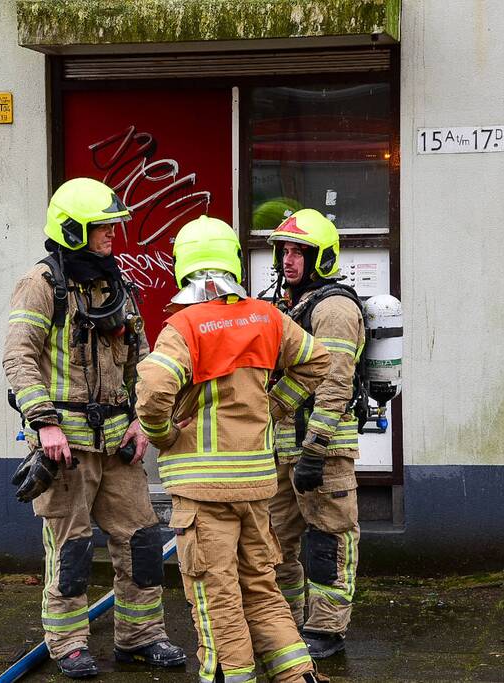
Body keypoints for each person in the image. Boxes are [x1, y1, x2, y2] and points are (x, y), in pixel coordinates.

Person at [136, 215, 331, 683]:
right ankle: (298, 676)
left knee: (216, 596)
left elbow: (153, 392)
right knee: (262, 589)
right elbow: (317, 360)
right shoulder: (266, 317)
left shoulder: (184, 326)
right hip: (256, 485)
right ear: (233, 262)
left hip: (203, 491)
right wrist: (274, 406)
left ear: (184, 265)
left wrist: (164, 436)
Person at [3, 177, 185, 679]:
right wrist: (45, 424)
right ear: (73, 230)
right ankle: (68, 644)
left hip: (119, 444)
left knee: (141, 540)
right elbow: (18, 357)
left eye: (111, 226)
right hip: (66, 448)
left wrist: (143, 421)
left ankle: (141, 637)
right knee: (73, 548)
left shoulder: (114, 283)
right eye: (102, 227)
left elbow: (142, 359)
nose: (111, 234)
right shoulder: (40, 285)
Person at [265, 209, 366, 659]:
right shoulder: (290, 305)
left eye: (299, 252)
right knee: (273, 542)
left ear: (321, 258)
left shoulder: (335, 309)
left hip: (323, 451)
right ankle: (282, 624)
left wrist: (315, 448)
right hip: (283, 448)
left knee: (328, 539)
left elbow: (335, 382)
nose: (288, 260)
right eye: (284, 251)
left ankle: (326, 629)